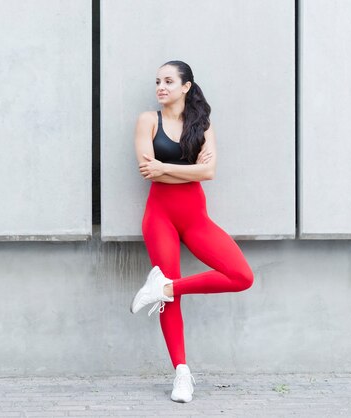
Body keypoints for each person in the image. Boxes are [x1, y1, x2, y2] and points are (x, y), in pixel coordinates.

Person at [130, 60, 254, 403]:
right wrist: (186, 170)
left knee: (242, 276)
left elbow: (209, 172)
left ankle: (164, 287)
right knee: (173, 301)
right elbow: (149, 172)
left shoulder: (202, 123)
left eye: (169, 81)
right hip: (160, 218)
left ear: (186, 86)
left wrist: (166, 166)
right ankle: (181, 374)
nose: (161, 86)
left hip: (196, 219)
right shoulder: (147, 121)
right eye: (157, 81)